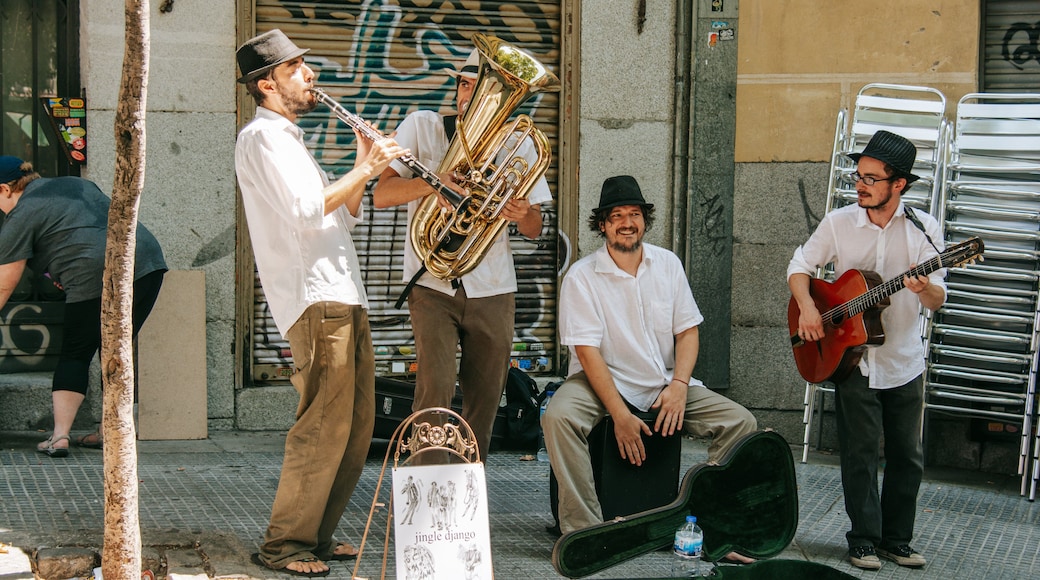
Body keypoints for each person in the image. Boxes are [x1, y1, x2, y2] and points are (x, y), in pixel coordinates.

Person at [234, 29, 407, 577]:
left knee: (355, 427)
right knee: (321, 427)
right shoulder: (261, 138)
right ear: (268, 84)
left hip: (341, 294)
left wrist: (363, 160)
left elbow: (342, 212)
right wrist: (370, 168)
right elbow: (308, 210)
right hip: (314, 301)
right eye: (298, 69)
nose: (312, 76)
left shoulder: (290, 141)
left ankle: (317, 536)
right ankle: (285, 545)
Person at [542, 175, 757, 562]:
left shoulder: (668, 264)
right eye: (617, 215)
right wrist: (620, 415)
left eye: (635, 214)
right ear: (603, 225)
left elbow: (688, 333)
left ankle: (715, 528)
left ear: (645, 220)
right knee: (558, 416)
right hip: (600, 381)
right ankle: (585, 531)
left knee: (741, 423)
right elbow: (587, 354)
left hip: (663, 382)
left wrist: (678, 384)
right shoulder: (582, 277)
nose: (627, 222)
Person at [373, 47, 552, 462]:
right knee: (434, 391)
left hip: (493, 288)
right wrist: (432, 184)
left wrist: (523, 212)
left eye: (480, 85)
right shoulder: (423, 127)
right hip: (432, 283)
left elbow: (535, 227)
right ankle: (424, 489)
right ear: (457, 88)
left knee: (485, 401)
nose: (470, 94)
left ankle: (464, 500)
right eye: (466, 84)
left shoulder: (518, 143)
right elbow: (382, 194)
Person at [787, 130, 945, 570]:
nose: (861, 185)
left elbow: (938, 300)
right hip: (852, 358)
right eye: (860, 175)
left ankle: (897, 540)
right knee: (858, 453)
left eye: (872, 178)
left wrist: (925, 286)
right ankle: (862, 540)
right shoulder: (839, 222)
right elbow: (800, 265)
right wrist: (806, 308)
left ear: (900, 185)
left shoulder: (924, 229)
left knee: (906, 457)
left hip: (903, 358)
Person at [0, 156, 167, 457]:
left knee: (75, 352)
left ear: (5, 189)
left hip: (93, 271)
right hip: (147, 263)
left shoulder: (22, 212)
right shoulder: (76, 184)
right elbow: (85, 227)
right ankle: (110, 433)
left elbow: (5, 282)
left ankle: (59, 436)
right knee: (116, 351)